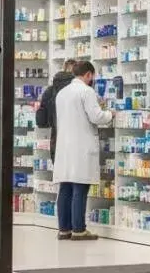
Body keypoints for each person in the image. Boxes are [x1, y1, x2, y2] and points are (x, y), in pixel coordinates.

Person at [53, 60, 113, 240]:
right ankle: (79, 230)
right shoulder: (86, 91)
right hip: (81, 146)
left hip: (65, 147)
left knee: (65, 188)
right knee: (79, 188)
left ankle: (64, 229)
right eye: (92, 77)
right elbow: (96, 117)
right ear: (88, 74)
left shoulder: (62, 93)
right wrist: (110, 114)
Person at [36, 60, 77, 154]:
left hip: (55, 135)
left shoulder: (50, 90)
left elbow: (41, 117)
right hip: (75, 136)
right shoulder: (79, 90)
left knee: (57, 160)